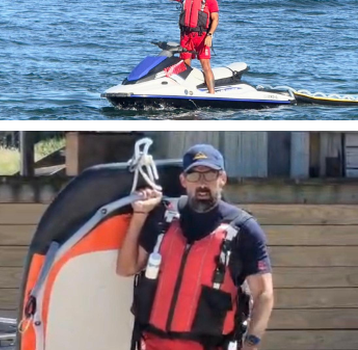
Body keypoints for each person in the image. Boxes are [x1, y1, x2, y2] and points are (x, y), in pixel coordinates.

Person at [116, 144, 274, 350]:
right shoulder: (163, 218)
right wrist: (140, 215)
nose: (202, 183)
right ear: (183, 180)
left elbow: (264, 294)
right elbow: (126, 268)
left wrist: (251, 344)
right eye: (194, 175)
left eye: (209, 175)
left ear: (222, 179)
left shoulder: (244, 229)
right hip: (153, 343)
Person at [162, 0, 219, 94]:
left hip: (202, 37)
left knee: (205, 65)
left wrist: (210, 35)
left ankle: (212, 93)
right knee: (185, 64)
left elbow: (215, 19)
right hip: (186, 36)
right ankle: (186, 91)